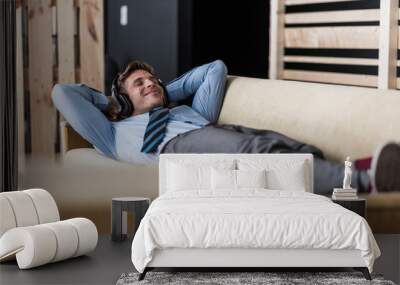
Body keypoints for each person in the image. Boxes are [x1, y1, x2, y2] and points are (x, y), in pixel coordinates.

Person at [52, 60, 400, 195]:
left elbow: (214, 70)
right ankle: (365, 180)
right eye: (138, 83)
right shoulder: (112, 133)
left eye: (152, 78)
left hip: (213, 131)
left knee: (297, 149)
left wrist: (162, 93)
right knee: (257, 154)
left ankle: (369, 172)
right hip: (174, 151)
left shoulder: (186, 109)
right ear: (123, 101)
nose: (149, 83)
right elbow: (62, 93)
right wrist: (114, 103)